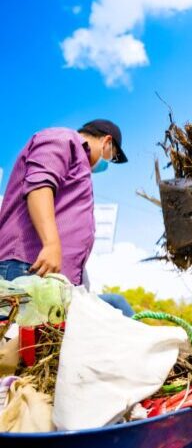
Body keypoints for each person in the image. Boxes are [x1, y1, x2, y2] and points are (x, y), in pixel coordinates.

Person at [0, 120, 134, 316]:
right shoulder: (63, 139)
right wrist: (51, 243)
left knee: (115, 303)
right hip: (28, 267)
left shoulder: (81, 169)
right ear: (106, 142)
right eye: (111, 157)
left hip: (54, 280)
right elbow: (40, 186)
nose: (107, 163)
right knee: (19, 342)